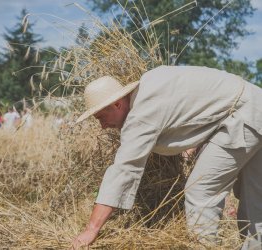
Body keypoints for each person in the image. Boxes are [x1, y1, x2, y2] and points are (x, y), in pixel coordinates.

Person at [72, 66, 262, 249]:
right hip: (255, 105)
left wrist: (91, 229)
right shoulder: (150, 86)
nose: (103, 126)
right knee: (252, 196)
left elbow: (124, 170)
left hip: (242, 115)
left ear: (117, 103)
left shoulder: (141, 114)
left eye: (101, 118)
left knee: (200, 190)